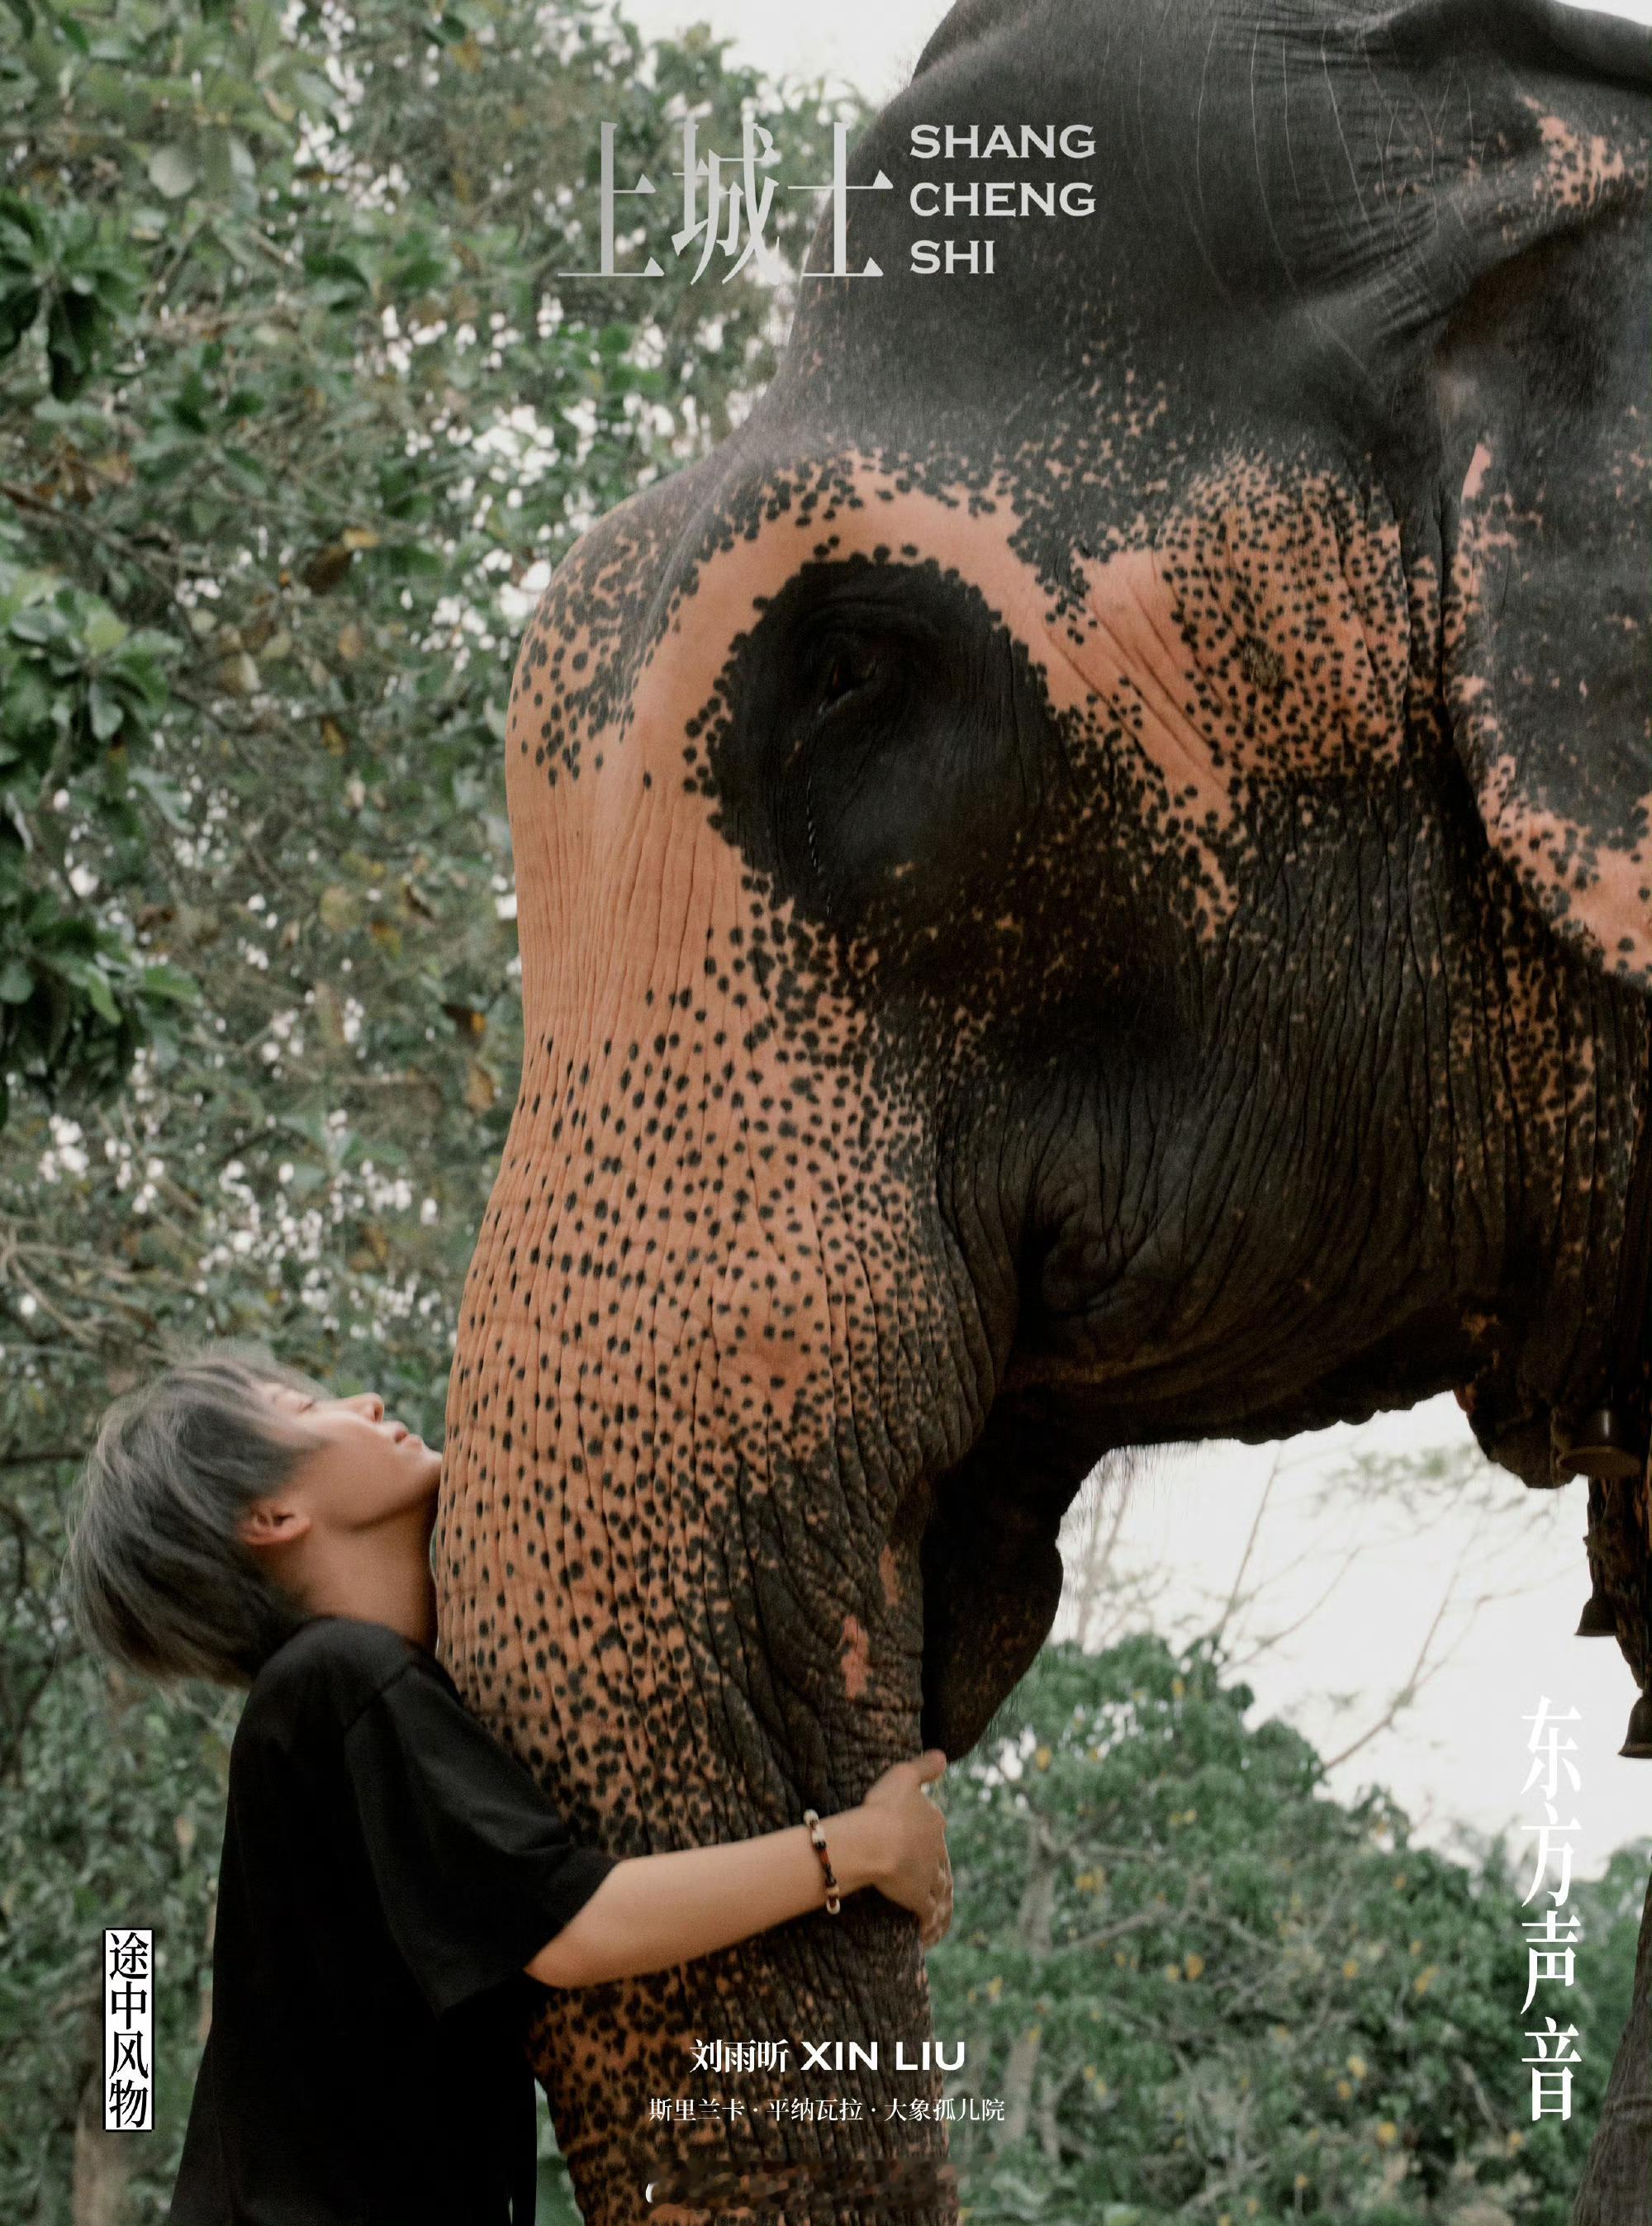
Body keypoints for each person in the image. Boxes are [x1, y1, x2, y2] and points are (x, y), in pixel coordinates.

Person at [61, 1338, 952, 2226]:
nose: (366, 1402)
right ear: (270, 1514)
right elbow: (570, 1927)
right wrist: (862, 1847)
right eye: (303, 1410)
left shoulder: (346, 1700)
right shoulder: (339, 1681)